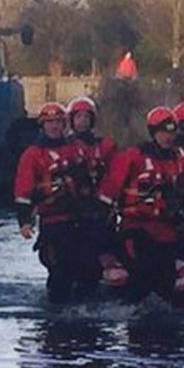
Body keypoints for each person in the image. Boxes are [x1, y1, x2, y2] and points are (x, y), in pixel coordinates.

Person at [99, 106, 184, 300]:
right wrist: (102, 221)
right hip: (136, 228)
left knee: (166, 282)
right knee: (142, 275)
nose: (168, 137)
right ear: (153, 133)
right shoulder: (134, 157)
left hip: (167, 230)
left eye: (171, 131)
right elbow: (110, 187)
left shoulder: (180, 160)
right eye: (163, 132)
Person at [14, 102, 90, 302]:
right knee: (59, 270)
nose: (54, 126)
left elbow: (88, 184)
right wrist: (24, 221)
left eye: (58, 122)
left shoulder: (77, 149)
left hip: (78, 220)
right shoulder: (33, 155)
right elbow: (23, 190)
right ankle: (55, 318)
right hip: (52, 222)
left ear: (65, 123)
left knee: (85, 268)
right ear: (42, 125)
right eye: (49, 122)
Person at [68, 96, 120, 280]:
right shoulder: (65, 147)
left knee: (102, 247)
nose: (83, 121)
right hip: (74, 209)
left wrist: (106, 199)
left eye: (86, 117)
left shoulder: (105, 146)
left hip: (100, 208)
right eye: (79, 117)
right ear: (72, 120)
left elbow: (116, 174)